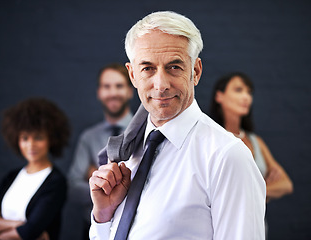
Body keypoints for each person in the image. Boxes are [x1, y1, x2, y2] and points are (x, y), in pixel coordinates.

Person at [89, 11, 266, 240]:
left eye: (174, 67)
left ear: (196, 72)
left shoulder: (227, 157)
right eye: (148, 68)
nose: (161, 85)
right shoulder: (125, 153)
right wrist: (103, 215)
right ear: (132, 75)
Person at [209, 72, 293, 235]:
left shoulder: (256, 141)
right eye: (239, 90)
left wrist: (253, 192)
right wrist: (264, 187)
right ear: (219, 96)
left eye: (249, 92)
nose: (246, 97)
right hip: (222, 230)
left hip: (257, 228)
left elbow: (286, 184)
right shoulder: (211, 138)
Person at [0, 98, 70, 240]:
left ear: (51, 139)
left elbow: (28, 233)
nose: (30, 145)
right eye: (25, 138)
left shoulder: (56, 182)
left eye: (38, 137)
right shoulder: (12, 177)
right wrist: (20, 224)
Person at [68, 63, 134, 238]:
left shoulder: (146, 132)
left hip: (135, 228)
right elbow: (73, 188)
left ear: (130, 91)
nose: (112, 92)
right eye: (107, 86)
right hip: (92, 229)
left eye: (119, 86)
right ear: (99, 93)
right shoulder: (88, 137)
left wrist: (95, 178)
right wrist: (107, 190)